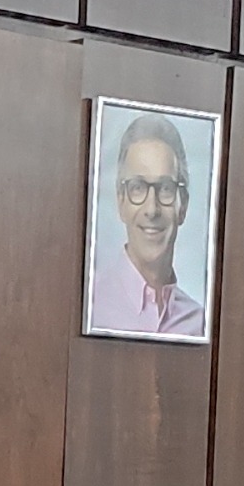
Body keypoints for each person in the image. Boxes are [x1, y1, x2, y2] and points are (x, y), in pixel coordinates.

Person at [86, 110, 208, 340]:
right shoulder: (88, 306)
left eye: (166, 188)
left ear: (183, 206)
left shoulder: (201, 324)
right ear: (121, 201)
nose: (152, 209)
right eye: (138, 188)